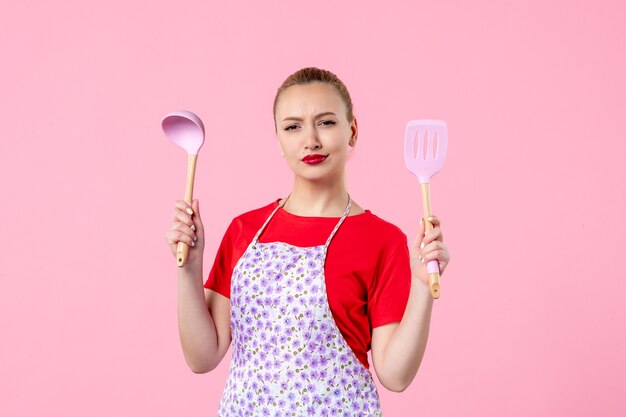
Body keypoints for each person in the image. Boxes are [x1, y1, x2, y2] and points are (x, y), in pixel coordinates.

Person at [165, 67, 450, 416]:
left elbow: (395, 375)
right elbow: (202, 357)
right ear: (279, 141)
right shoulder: (244, 230)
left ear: (353, 131)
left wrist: (423, 286)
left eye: (326, 122)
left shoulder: (383, 240)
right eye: (293, 126)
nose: (310, 140)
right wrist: (190, 269)